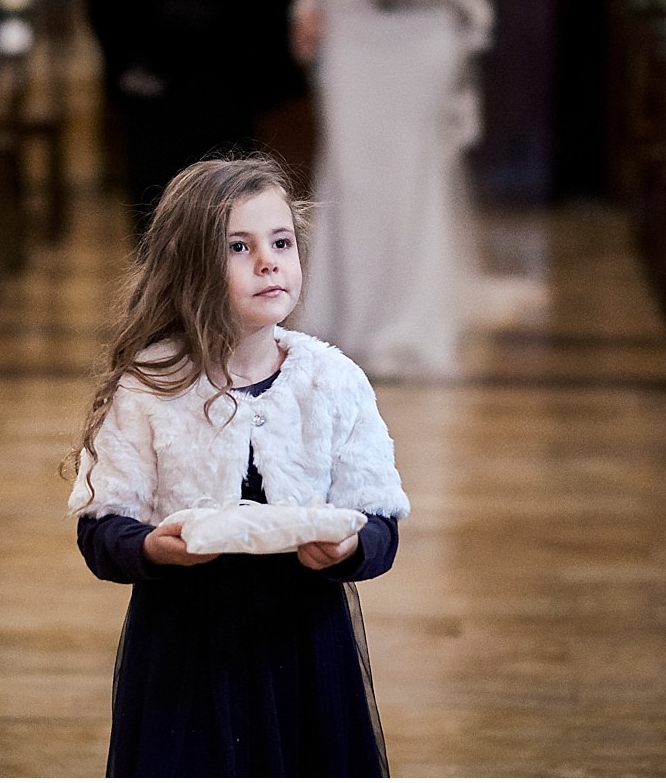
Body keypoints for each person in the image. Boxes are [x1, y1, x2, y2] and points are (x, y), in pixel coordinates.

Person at [64, 154, 410, 776]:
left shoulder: (332, 381)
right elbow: (102, 529)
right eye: (239, 247)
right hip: (186, 648)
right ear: (191, 266)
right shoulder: (150, 386)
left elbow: (381, 523)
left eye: (281, 242)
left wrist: (352, 548)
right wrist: (153, 548)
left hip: (304, 645)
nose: (269, 261)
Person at [288, 0, 496, 380]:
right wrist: (307, 4)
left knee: (412, 178)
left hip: (424, 33)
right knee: (351, 174)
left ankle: (409, 327)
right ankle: (344, 321)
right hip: (351, 28)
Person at [86, 0, 308, 245]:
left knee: (227, 217)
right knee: (157, 219)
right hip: (154, 89)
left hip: (224, 84)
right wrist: (131, 60)